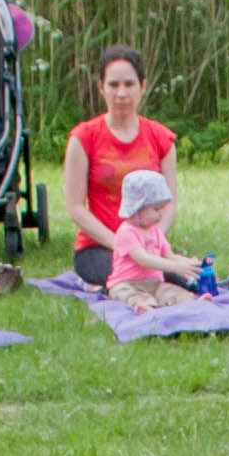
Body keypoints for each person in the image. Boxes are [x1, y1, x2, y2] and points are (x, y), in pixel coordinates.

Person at [65, 47, 177, 289]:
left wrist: (151, 242)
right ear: (101, 87)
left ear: (143, 86)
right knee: (131, 279)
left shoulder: (160, 138)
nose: (122, 93)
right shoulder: (84, 137)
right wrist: (123, 244)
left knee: (187, 279)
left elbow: (169, 204)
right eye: (114, 85)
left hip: (148, 247)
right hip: (99, 247)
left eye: (129, 84)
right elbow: (76, 209)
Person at [105, 171, 198, 308]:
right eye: (156, 209)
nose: (161, 214)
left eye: (162, 209)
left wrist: (191, 264)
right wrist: (176, 267)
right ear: (138, 208)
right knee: (127, 294)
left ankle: (191, 303)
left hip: (154, 284)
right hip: (127, 283)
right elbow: (144, 260)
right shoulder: (126, 232)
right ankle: (144, 306)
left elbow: (169, 255)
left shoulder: (155, 231)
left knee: (172, 292)